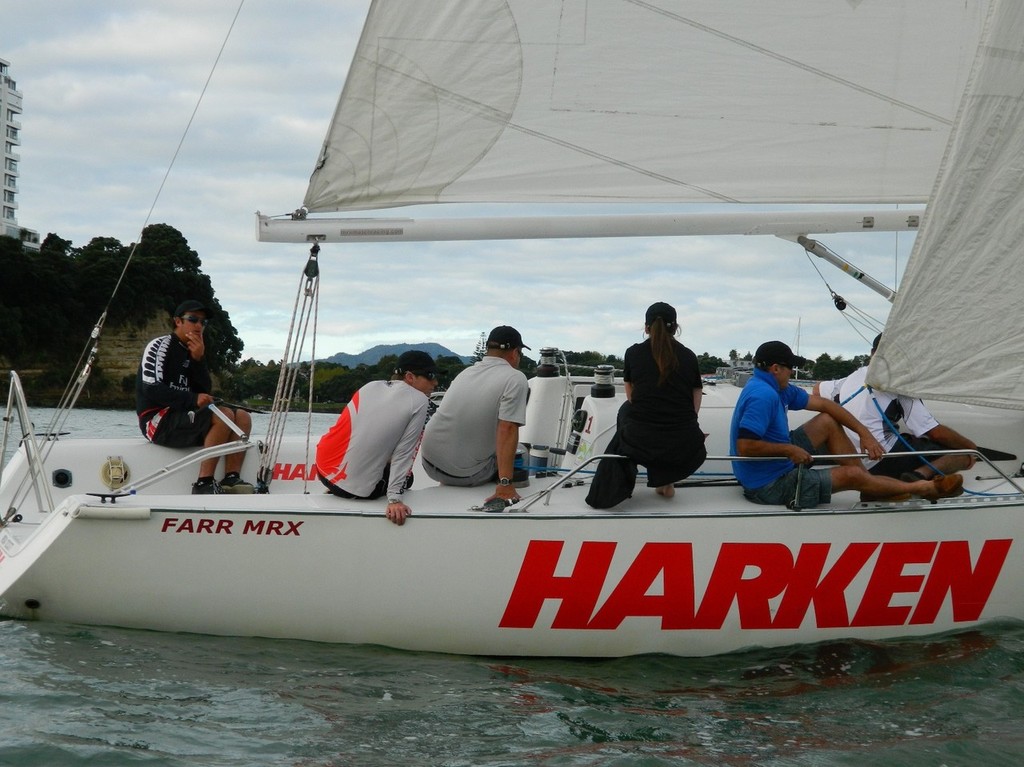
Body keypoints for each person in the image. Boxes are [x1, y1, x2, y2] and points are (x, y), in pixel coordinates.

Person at [729, 340, 964, 508]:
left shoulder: (777, 387)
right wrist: (789, 449)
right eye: (791, 368)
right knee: (851, 474)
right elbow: (745, 447)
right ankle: (923, 488)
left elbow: (827, 406)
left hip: (772, 463)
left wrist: (864, 434)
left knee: (827, 421)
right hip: (768, 484)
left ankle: (870, 486)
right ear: (775, 369)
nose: (793, 372)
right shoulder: (764, 395)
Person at [814, 333, 978, 481]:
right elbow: (935, 433)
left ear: (872, 353)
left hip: (847, 456)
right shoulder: (901, 386)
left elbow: (817, 389)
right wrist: (972, 447)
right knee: (962, 455)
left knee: (909, 438)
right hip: (879, 459)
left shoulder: (853, 376)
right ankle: (919, 475)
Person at [136, 300, 253, 495]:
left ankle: (231, 478)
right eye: (193, 319)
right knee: (222, 415)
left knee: (242, 417)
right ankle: (204, 482)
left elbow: (203, 389)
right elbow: (152, 389)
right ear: (177, 322)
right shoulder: (159, 346)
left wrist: (198, 360)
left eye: (203, 322)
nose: (199, 326)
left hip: (185, 416)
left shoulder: (194, 351)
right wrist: (192, 399)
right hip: (157, 420)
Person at [314, 350, 438, 526]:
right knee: (408, 478)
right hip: (353, 489)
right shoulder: (420, 401)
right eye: (430, 376)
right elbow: (405, 452)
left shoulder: (370, 386)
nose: (435, 382)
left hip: (322, 468)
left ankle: (338, 484)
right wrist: (394, 500)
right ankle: (349, 485)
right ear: (410, 376)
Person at [421, 325, 530, 505]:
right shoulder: (515, 378)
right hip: (465, 474)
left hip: (429, 462)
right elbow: (508, 428)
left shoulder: (466, 372)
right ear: (515, 353)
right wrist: (505, 484)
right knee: (521, 452)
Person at [615, 301, 706, 498]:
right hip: (682, 440)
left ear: (646, 328)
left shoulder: (633, 353)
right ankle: (666, 481)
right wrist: (690, 421)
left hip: (640, 439)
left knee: (626, 413)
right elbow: (696, 393)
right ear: (676, 328)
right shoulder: (689, 357)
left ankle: (624, 481)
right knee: (670, 427)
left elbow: (630, 391)